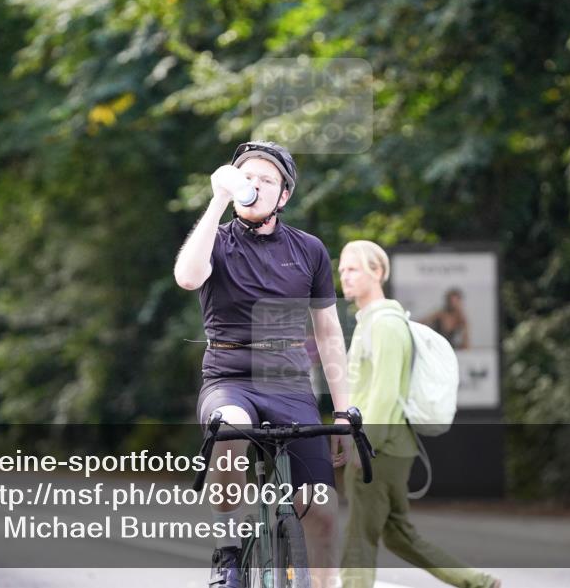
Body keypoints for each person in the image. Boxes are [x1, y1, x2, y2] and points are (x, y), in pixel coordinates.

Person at [174, 141, 352, 588]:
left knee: (324, 512)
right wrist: (217, 198)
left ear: (284, 195)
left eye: (266, 180)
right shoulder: (215, 239)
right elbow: (188, 277)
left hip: (288, 381)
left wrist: (345, 411)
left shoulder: (308, 249)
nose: (253, 185)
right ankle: (228, 551)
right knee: (228, 428)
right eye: (246, 177)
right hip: (229, 375)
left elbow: (329, 333)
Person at [338, 240, 499, 588]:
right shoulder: (372, 322)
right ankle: (478, 582)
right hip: (389, 446)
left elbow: (385, 391)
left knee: (359, 538)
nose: (344, 277)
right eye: (341, 270)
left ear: (377, 272)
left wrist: (365, 446)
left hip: (380, 448)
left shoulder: (385, 325)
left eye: (352, 269)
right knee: (399, 536)